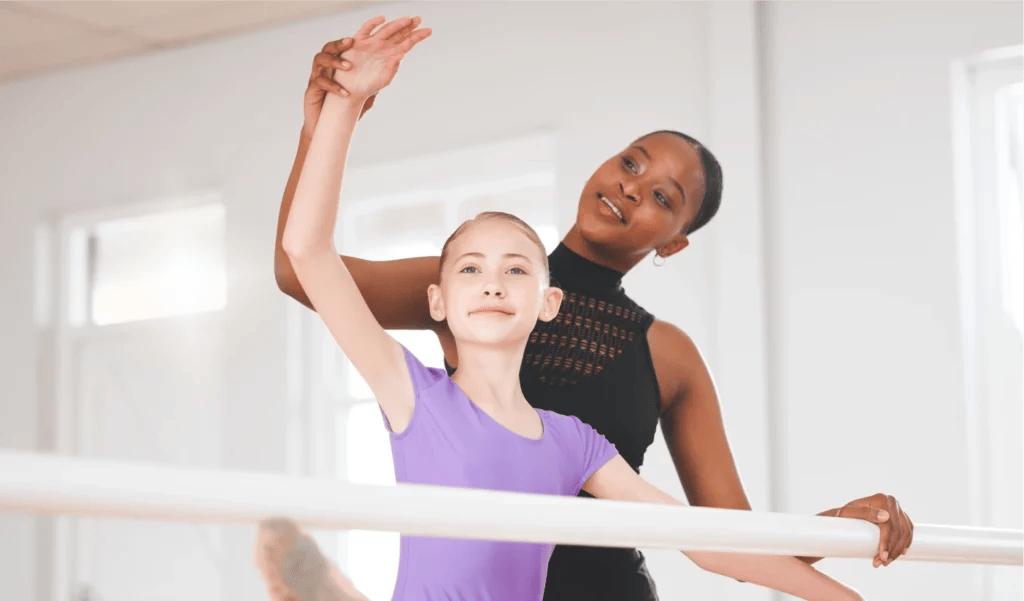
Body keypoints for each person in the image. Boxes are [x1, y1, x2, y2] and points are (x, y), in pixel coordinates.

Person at [261, 15, 914, 601]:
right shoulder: (475, 291)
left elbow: (721, 539)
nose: (631, 187)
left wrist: (839, 531)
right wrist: (326, 122)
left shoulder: (660, 362)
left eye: (662, 196)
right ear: (444, 295)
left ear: (675, 240)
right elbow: (303, 266)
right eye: (631, 162)